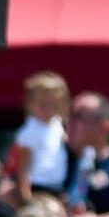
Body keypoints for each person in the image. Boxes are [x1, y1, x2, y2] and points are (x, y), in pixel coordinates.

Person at [11, 71, 70, 201]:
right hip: (37, 187)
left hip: (57, 187)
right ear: (30, 104)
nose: (48, 110)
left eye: (54, 105)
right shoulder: (29, 132)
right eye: (43, 105)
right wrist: (26, 198)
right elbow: (23, 168)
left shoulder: (57, 125)